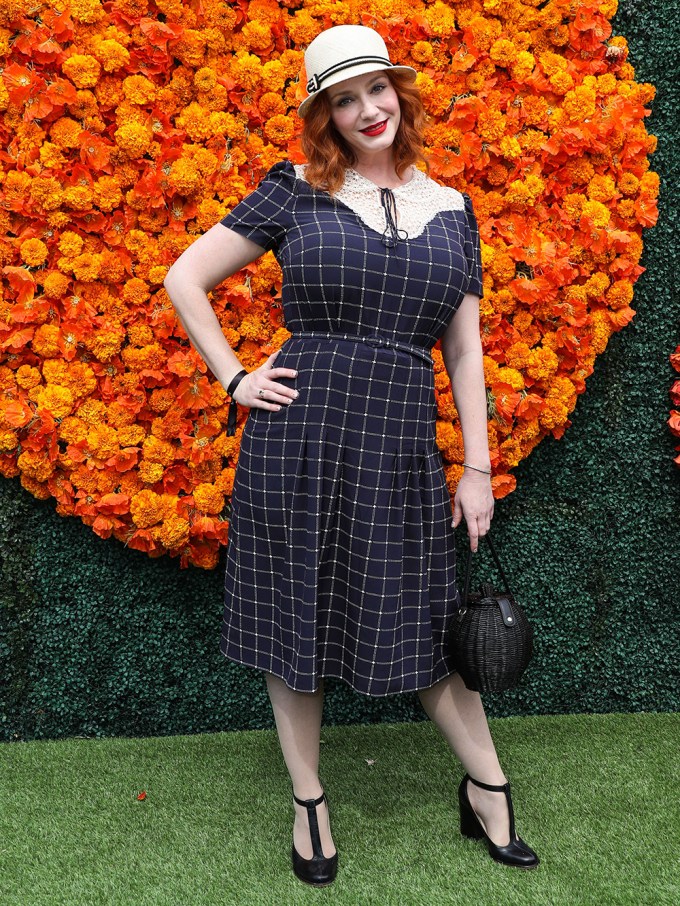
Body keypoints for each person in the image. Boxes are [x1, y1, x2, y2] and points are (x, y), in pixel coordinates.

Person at [164, 24, 539, 886]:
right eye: (343, 98)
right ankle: (309, 803)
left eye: (375, 89)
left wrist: (476, 469)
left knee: (423, 619)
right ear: (323, 116)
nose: (365, 109)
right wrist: (233, 380)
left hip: (400, 445)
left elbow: (466, 352)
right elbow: (187, 277)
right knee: (296, 621)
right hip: (297, 440)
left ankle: (487, 786)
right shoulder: (292, 191)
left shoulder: (453, 210)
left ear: (399, 94)